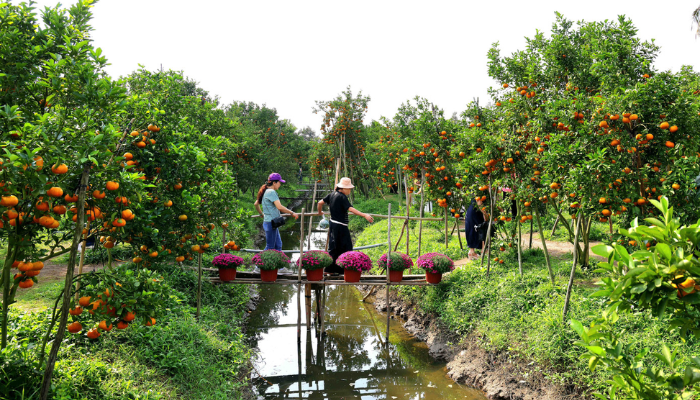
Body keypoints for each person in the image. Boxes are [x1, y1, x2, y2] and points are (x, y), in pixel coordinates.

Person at [317, 177, 374, 274]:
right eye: (349, 189)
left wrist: (319, 212)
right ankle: (343, 269)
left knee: (334, 247)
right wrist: (364, 215)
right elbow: (350, 209)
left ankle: (331, 270)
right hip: (340, 226)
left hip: (333, 224)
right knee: (346, 247)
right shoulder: (342, 197)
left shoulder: (332, 194)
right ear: (343, 188)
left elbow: (320, 203)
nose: (350, 191)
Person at [254, 173, 298, 251]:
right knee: (270, 247)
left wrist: (261, 213)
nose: (280, 184)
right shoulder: (271, 192)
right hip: (270, 223)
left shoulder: (265, 191)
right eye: (279, 182)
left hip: (272, 223)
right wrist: (292, 213)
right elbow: (279, 207)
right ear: (274, 182)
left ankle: (279, 258)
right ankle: (259, 259)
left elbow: (256, 204)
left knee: (278, 245)